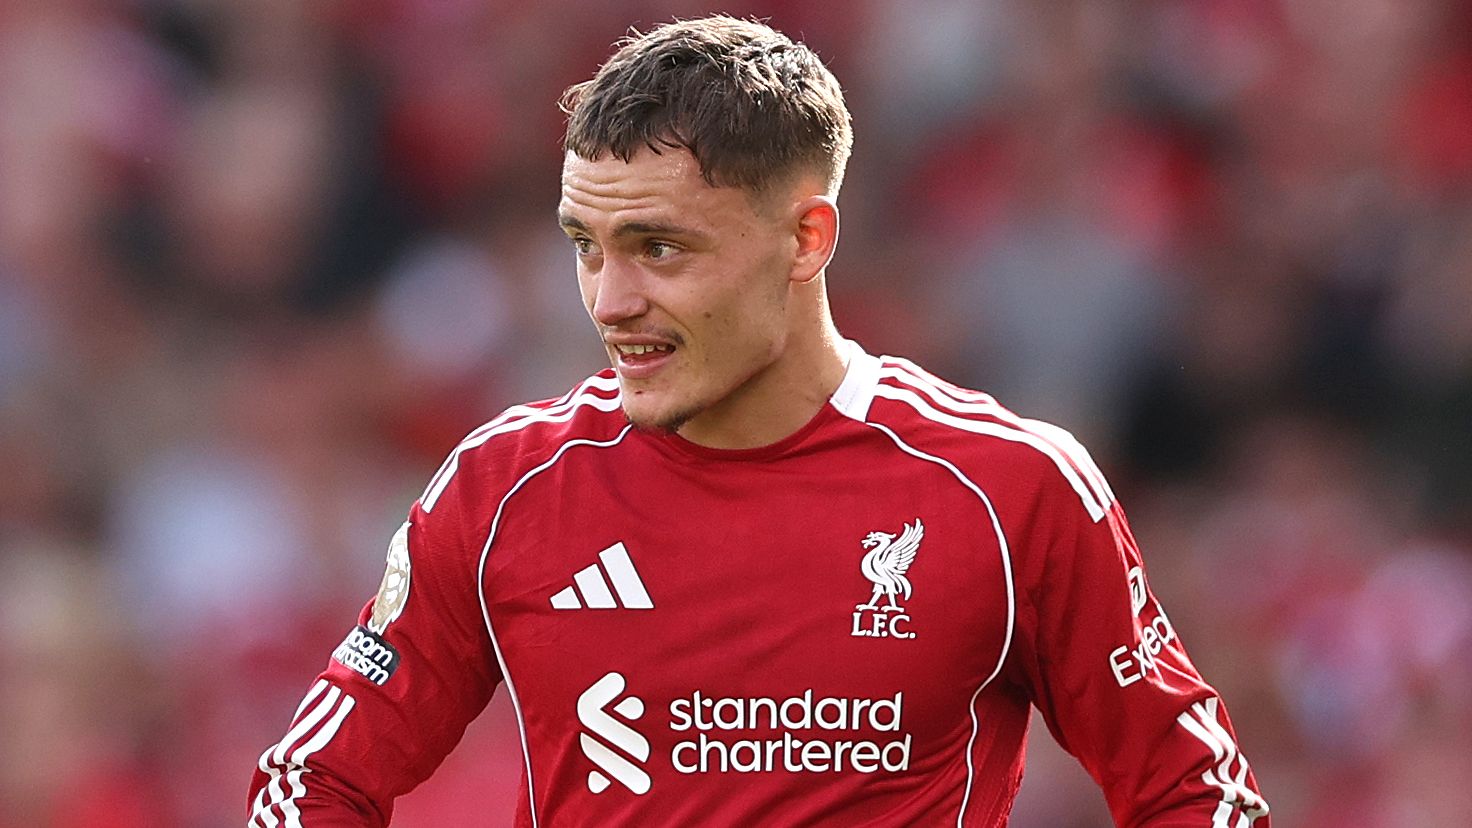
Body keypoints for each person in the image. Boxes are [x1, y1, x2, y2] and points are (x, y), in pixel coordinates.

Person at [247, 15, 1269, 827]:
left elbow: (1194, 794)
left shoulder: (1009, 490)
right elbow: (312, 783)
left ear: (806, 239)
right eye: (587, 245)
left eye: (659, 248)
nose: (608, 301)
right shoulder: (506, 487)